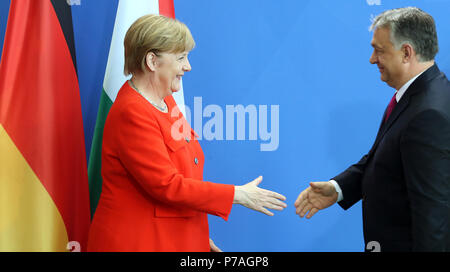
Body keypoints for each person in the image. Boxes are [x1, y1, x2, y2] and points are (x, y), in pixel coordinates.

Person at [87, 14, 287, 252]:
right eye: (181, 57)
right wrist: (237, 194)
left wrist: (195, 237)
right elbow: (167, 186)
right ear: (152, 61)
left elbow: (186, 170)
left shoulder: (166, 100)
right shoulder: (131, 112)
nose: (188, 66)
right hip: (138, 242)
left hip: (171, 238)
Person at [294, 7, 450, 252]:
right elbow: (384, 160)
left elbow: (433, 214)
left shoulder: (428, 113)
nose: (372, 59)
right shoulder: (417, 96)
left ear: (406, 52)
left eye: (379, 50)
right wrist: (339, 189)